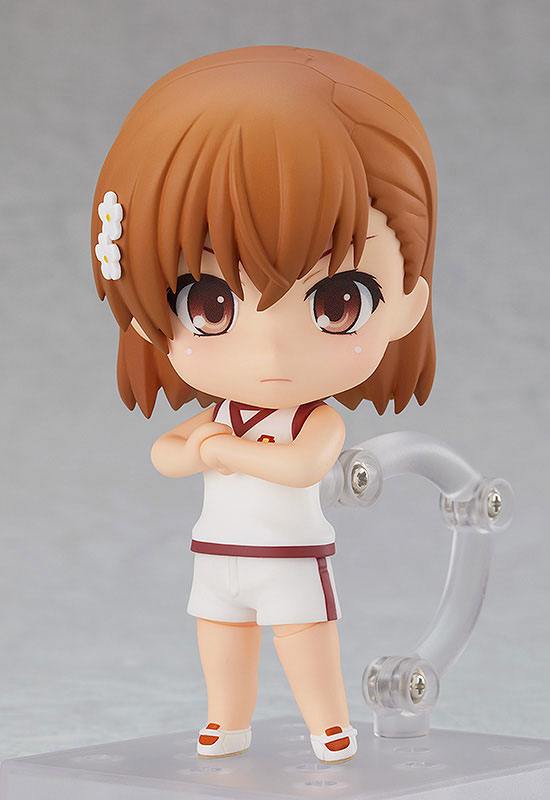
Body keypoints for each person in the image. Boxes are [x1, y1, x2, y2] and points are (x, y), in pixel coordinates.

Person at [91, 45, 437, 762]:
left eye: (337, 302)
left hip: (289, 555)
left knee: (304, 636)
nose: (271, 353)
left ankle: (327, 723)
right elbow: (165, 455)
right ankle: (227, 720)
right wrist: (198, 447)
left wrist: (218, 450)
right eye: (210, 303)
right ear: (141, 311)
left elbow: (303, 467)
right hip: (218, 553)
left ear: (407, 301)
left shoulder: (310, 420)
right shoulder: (223, 416)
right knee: (220, 635)